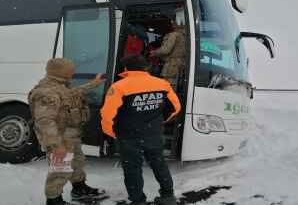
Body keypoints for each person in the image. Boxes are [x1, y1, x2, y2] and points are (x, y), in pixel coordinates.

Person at [100, 55, 181, 205]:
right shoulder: (162, 84)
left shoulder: (119, 86)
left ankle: (138, 201)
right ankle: (168, 196)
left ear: (125, 69)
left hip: (128, 136)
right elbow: (175, 108)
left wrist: (111, 132)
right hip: (153, 134)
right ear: (146, 68)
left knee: (132, 169)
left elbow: (107, 114)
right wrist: (159, 122)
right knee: (159, 164)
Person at [28, 58, 106, 205]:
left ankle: (79, 188)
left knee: (77, 163)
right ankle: (54, 200)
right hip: (59, 138)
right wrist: (55, 145)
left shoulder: (60, 86)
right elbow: (45, 121)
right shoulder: (46, 92)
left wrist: (93, 84)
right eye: (70, 70)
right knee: (60, 170)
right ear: (61, 72)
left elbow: (72, 94)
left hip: (71, 135)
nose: (73, 72)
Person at [150, 20, 186, 86]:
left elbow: (165, 50)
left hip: (171, 66)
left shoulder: (174, 35)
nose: (172, 23)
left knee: (167, 87)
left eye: (173, 22)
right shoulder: (185, 37)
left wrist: (154, 52)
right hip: (181, 66)